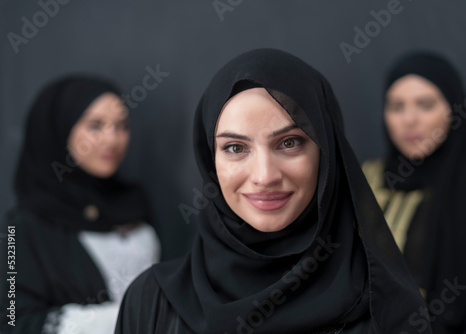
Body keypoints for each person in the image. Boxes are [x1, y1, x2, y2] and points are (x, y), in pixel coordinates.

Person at [115, 48, 430, 334]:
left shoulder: (383, 310)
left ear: (327, 152)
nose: (265, 176)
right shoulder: (151, 302)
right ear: (210, 160)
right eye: (236, 147)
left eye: (289, 143)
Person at [0, 76, 161, 333]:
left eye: (121, 126)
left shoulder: (133, 201)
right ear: (60, 129)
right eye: (95, 126)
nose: (113, 140)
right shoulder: (21, 229)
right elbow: (12, 323)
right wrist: (129, 317)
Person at [362, 52, 466, 333]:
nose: (409, 120)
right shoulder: (367, 179)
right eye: (397, 107)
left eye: (425, 105)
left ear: (453, 109)